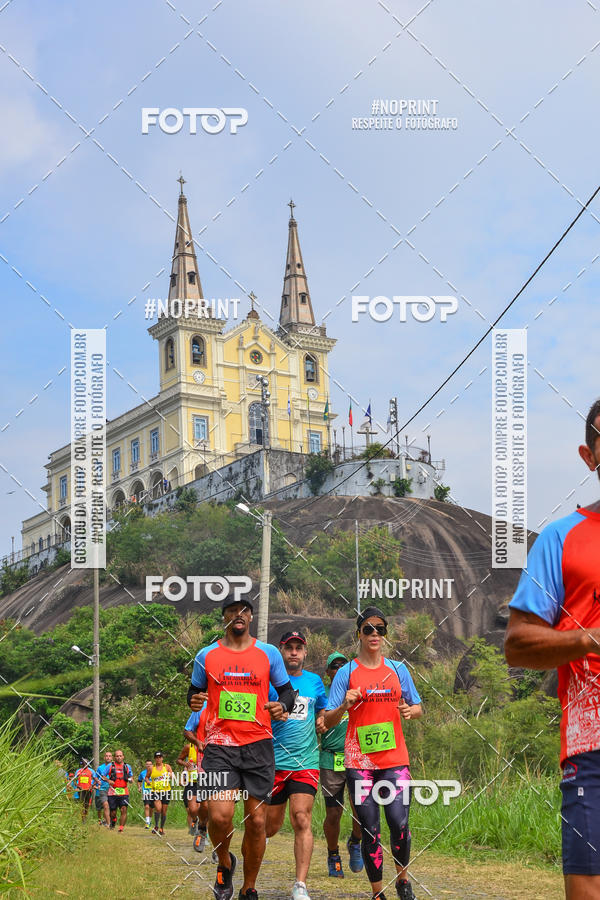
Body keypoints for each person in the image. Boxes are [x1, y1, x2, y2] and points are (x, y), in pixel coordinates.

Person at [505, 399, 600, 900]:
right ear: (590, 455)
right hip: (592, 748)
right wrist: (589, 637)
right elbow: (518, 644)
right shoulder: (561, 539)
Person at [188, 596, 298, 900]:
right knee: (219, 816)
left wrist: (282, 705)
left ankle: (249, 887)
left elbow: (287, 692)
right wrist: (193, 701)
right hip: (219, 746)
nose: (239, 614)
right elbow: (194, 692)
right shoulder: (206, 655)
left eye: (244, 610)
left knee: (257, 821)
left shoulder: (268, 653)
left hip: (258, 745)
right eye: (232, 610)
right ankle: (224, 863)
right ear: (224, 617)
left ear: (250, 617)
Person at [324, 607, 423, 900]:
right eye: (368, 628)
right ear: (359, 634)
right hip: (360, 763)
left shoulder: (398, 669)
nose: (375, 634)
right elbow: (327, 720)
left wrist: (411, 711)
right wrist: (344, 705)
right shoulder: (346, 673)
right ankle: (377, 892)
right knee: (370, 828)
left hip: (395, 760)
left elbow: (418, 707)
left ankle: (403, 881)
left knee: (399, 822)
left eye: (380, 628)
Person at [265, 631, 327, 900]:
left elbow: (322, 708)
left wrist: (322, 718)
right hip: (273, 762)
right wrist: (274, 712)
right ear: (281, 651)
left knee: (301, 817)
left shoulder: (315, 682)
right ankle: (255, 845)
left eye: (298, 648)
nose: (293, 652)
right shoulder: (270, 682)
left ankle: (300, 885)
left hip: (305, 762)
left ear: (304, 652)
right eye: (288, 647)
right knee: (270, 826)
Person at [319, 652, 363, 877]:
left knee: (361, 810)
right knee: (334, 812)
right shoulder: (324, 695)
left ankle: (355, 841)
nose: (339, 670)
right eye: (334, 666)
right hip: (331, 759)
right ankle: (333, 854)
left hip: (357, 758)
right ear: (328, 672)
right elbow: (316, 720)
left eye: (343, 666)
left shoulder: (358, 692)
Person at [181, 704, 209, 852]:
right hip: (195, 779)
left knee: (220, 811)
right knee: (195, 808)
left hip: (224, 769)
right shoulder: (189, 747)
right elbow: (187, 731)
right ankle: (199, 825)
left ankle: (218, 847)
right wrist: (185, 765)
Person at [107, 749, 133, 832]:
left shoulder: (127, 766)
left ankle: (121, 828)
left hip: (124, 791)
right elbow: (102, 775)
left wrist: (131, 780)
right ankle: (113, 820)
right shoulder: (110, 766)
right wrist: (108, 780)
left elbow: (131, 776)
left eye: (120, 756)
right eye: (117, 756)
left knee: (123, 809)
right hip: (113, 791)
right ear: (114, 757)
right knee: (113, 812)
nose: (119, 757)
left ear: (123, 757)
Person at [148, 752, 173, 835]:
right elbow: (146, 777)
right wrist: (148, 782)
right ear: (155, 759)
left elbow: (172, 775)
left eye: (160, 757)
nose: (158, 759)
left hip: (166, 791)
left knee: (164, 811)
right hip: (156, 791)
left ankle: (161, 828)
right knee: (158, 809)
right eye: (156, 757)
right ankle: (156, 826)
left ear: (162, 758)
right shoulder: (151, 768)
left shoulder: (167, 766)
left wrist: (170, 775)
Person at [95, 750, 113, 827]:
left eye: (109, 756)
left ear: (112, 758)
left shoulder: (114, 766)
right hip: (102, 789)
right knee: (105, 805)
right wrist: (97, 782)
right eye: (106, 756)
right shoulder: (100, 768)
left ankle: (107, 820)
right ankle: (107, 823)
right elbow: (95, 777)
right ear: (104, 758)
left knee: (110, 806)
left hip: (112, 789)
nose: (108, 757)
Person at [137, 758, 155, 828]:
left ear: (152, 765)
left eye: (150, 764)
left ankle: (149, 820)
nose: (148, 766)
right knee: (147, 806)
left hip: (154, 792)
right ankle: (147, 822)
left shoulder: (155, 772)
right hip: (146, 792)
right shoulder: (143, 773)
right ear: (145, 765)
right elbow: (139, 781)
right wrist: (139, 787)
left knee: (152, 808)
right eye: (147, 764)